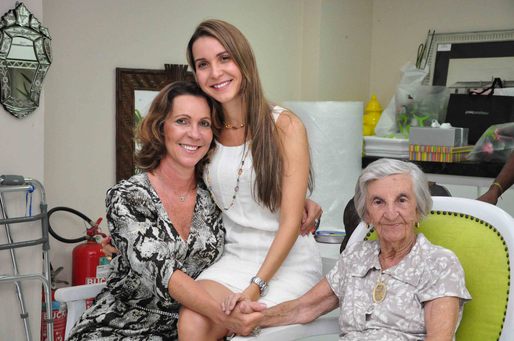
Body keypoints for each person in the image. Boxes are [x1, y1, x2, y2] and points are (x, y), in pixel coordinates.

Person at [67, 81, 261, 340]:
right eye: (182, 121)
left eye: (204, 123)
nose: (194, 133)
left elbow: (256, 211)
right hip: (121, 326)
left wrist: (303, 205)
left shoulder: (216, 195)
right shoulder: (128, 196)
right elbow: (163, 272)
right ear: (161, 128)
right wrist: (225, 317)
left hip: (192, 326)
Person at [177, 19, 323, 339]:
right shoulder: (205, 132)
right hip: (234, 259)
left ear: (244, 60)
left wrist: (254, 289)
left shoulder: (284, 126)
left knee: (252, 330)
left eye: (224, 58)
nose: (215, 73)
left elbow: (288, 223)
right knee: (191, 321)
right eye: (203, 64)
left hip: (288, 263)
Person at [229, 158, 472, 340]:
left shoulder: (439, 264)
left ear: (418, 208)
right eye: (378, 202)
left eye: (401, 200)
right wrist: (255, 318)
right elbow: (305, 307)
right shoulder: (357, 257)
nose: (390, 213)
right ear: (366, 213)